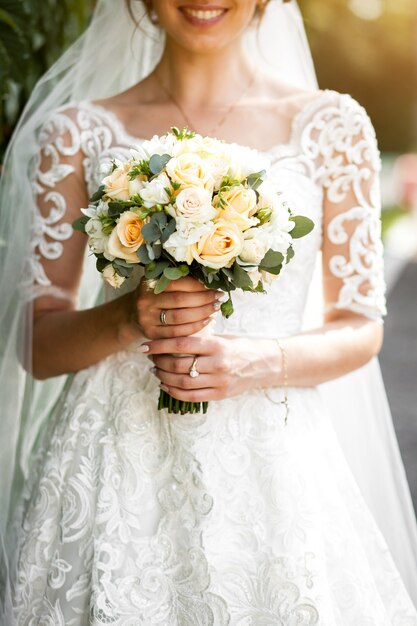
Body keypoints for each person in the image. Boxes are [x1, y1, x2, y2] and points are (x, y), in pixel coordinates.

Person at [0, 0, 417, 623]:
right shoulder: (76, 133)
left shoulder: (332, 126)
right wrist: (127, 318)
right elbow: (34, 342)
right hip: (114, 462)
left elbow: (359, 325)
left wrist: (258, 361)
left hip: (273, 463)